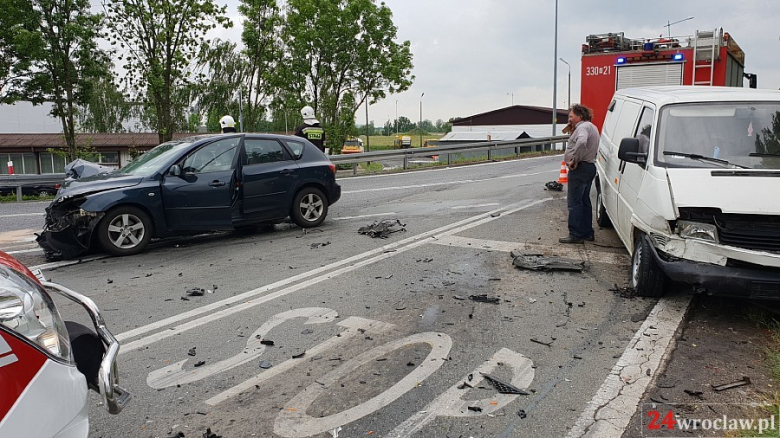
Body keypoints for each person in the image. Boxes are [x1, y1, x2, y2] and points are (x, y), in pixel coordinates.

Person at [560, 104, 599, 244]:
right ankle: (587, 232)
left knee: (574, 203)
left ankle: (575, 234)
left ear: (580, 116)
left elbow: (582, 141)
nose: (569, 119)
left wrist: (574, 159)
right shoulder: (592, 127)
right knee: (584, 201)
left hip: (580, 168)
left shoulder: (582, 128)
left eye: (571, 116)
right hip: (589, 167)